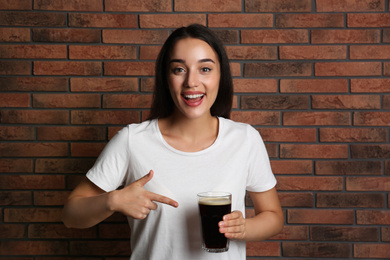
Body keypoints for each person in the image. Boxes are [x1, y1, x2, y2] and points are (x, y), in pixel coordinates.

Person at [62, 24, 283, 259]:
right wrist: (112, 200)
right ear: (166, 78)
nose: (191, 82)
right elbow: (70, 215)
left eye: (205, 69)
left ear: (221, 75)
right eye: (179, 69)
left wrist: (245, 228)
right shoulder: (132, 141)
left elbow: (273, 216)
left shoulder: (244, 139)